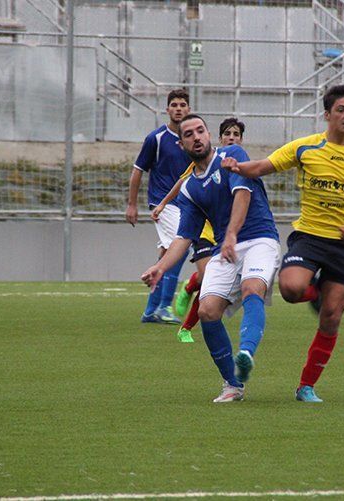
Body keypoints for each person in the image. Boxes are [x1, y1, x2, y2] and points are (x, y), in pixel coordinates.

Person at [221, 84, 344, 403]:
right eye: (342, 110)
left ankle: (306, 386)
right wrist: (238, 167)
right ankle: (315, 289)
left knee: (331, 316)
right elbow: (264, 166)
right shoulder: (306, 148)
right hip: (309, 238)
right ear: (327, 114)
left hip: (343, 247)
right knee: (290, 289)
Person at [141, 114, 280, 403]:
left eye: (201, 130)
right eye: (189, 134)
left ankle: (245, 353)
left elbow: (242, 195)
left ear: (208, 135)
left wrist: (231, 234)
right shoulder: (189, 187)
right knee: (206, 311)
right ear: (182, 144)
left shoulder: (232, 155)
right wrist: (160, 266)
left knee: (252, 287)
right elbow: (184, 237)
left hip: (259, 238)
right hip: (225, 248)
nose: (197, 136)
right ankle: (232, 384)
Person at [151, 117, 246, 344]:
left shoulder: (240, 162)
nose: (232, 137)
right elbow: (182, 183)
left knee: (223, 287)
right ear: (218, 137)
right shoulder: (206, 160)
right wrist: (163, 203)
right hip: (205, 230)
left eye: (236, 134)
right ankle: (189, 293)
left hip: (230, 234)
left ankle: (187, 324)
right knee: (206, 279)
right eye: (228, 134)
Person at [127, 89, 192, 324]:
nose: (178, 108)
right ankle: (164, 306)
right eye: (174, 104)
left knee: (167, 254)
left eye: (182, 104)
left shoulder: (191, 139)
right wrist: (132, 205)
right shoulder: (156, 138)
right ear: (167, 110)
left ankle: (150, 310)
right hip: (162, 205)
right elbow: (137, 171)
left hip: (185, 205)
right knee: (179, 249)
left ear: (189, 109)